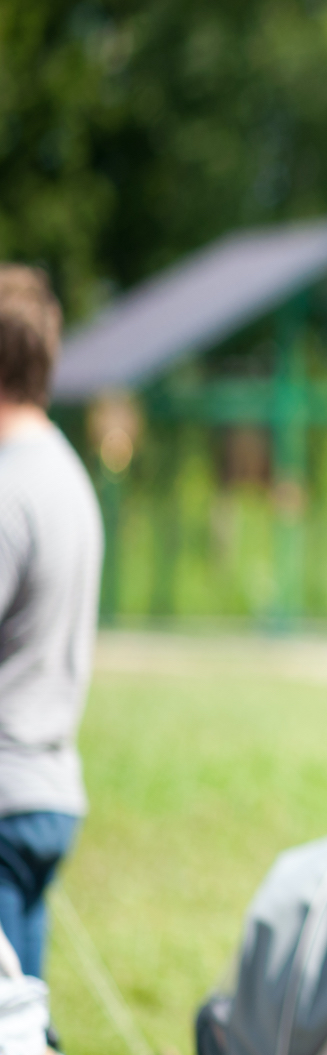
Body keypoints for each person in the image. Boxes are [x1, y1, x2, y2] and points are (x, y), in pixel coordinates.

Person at [0, 266, 101, 981]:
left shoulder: (8, 488)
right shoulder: (65, 473)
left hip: (4, 800)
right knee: (21, 1036)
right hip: (48, 792)